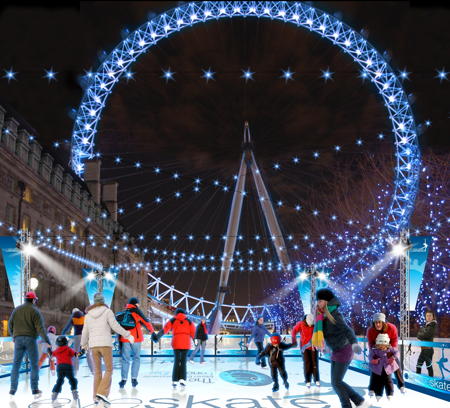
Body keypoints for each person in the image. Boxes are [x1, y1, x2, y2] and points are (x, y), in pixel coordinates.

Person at [312, 288, 369, 408]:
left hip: (345, 349)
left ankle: (347, 405)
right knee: (335, 382)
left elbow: (348, 330)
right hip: (336, 350)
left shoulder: (335, 315)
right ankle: (359, 401)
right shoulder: (321, 316)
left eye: (321, 301)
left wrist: (354, 343)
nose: (318, 303)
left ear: (327, 302)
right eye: (318, 301)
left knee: (336, 382)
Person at [81, 292, 135, 408]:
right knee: (109, 370)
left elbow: (85, 331)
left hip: (93, 346)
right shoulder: (107, 312)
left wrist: (83, 344)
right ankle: (101, 394)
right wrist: (127, 335)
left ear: (94, 302)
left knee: (97, 371)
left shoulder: (88, 315)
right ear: (103, 301)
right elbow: (115, 326)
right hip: (105, 344)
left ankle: (96, 397)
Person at [8, 291, 52, 400]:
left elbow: (10, 324)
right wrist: (48, 342)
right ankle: (35, 389)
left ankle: (12, 390)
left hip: (18, 339)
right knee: (34, 365)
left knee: (16, 365)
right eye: (35, 300)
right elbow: (41, 329)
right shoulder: (35, 311)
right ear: (33, 300)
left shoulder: (16, 310)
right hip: (30, 340)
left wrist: (14, 335)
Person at [116, 297, 155, 388]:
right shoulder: (137, 311)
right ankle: (134, 379)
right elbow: (146, 322)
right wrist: (152, 332)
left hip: (125, 338)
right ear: (136, 304)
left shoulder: (125, 312)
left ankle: (123, 379)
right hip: (136, 339)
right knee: (136, 358)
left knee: (126, 359)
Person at [153, 308, 195, 389]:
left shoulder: (173, 320)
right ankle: (182, 379)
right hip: (186, 343)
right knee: (183, 362)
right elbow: (193, 333)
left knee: (176, 361)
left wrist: (156, 337)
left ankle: (174, 380)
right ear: (184, 313)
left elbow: (165, 329)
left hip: (176, 342)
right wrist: (197, 343)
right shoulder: (189, 321)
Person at [366, 312, 405, 394]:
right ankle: (372, 388)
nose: (377, 324)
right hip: (377, 349)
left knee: (396, 365)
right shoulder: (370, 330)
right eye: (375, 322)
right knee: (375, 367)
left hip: (389, 348)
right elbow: (370, 344)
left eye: (379, 322)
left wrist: (391, 354)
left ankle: (401, 385)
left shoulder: (392, 328)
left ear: (383, 322)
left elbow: (394, 340)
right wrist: (374, 356)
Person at [51, 335, 82, 404]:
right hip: (68, 367)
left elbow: (51, 355)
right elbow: (76, 355)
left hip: (59, 367)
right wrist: (82, 351)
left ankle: (55, 394)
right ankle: (74, 392)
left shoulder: (57, 350)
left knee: (59, 381)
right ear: (66, 342)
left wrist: (48, 351)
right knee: (72, 380)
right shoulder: (68, 349)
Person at [368, 333, 399, 401]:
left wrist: (393, 357)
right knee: (378, 381)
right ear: (377, 344)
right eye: (380, 345)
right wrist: (373, 360)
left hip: (387, 368)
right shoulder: (375, 350)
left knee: (388, 381)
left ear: (387, 344)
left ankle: (390, 393)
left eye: (384, 345)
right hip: (377, 369)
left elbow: (397, 352)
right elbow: (370, 356)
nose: (382, 347)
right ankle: (378, 394)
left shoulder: (390, 349)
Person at [292, 314, 320, 387]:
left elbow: (319, 334)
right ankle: (307, 380)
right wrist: (294, 340)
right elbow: (294, 330)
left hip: (314, 346)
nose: (311, 325)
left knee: (315, 363)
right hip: (305, 347)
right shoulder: (301, 324)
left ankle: (316, 379)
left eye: (312, 324)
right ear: (306, 321)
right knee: (307, 363)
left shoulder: (315, 324)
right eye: (309, 324)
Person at [62, 307, 93, 373]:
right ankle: (93, 370)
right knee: (88, 354)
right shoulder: (84, 316)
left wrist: (63, 333)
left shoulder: (73, 317)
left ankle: (75, 370)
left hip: (77, 336)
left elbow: (67, 327)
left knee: (76, 353)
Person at [416, 310, 437, 377]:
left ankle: (429, 381)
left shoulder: (432, 325)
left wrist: (421, 334)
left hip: (428, 349)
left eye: (430, 316)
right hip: (424, 349)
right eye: (427, 316)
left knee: (426, 366)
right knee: (422, 365)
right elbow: (418, 335)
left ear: (433, 317)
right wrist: (421, 334)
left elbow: (425, 335)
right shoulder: (426, 325)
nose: (428, 317)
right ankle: (419, 380)